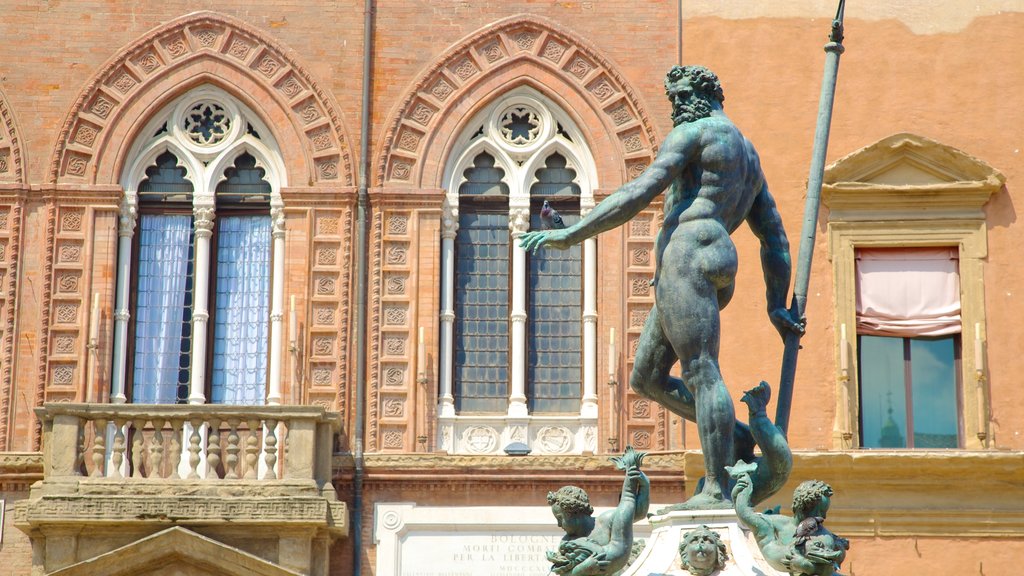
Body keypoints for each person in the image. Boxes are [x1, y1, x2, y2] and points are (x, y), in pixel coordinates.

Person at [521, 65, 802, 509]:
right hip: (716, 255)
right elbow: (774, 236)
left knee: (701, 371)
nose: (676, 106)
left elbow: (641, 190)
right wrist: (775, 304)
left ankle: (714, 487)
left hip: (686, 254)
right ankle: (738, 437)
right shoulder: (747, 154)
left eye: (682, 95)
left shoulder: (695, 133)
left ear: (706, 93)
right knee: (647, 378)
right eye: (672, 98)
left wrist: (571, 234)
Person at [546, 448, 649, 575]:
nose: (559, 525)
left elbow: (638, 513)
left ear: (574, 513)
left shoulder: (607, 520)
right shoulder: (568, 542)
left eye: (560, 518)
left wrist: (644, 487)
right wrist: (581, 569)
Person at [730, 475, 849, 576]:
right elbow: (745, 514)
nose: (823, 517)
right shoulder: (773, 524)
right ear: (803, 508)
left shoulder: (825, 536)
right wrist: (740, 491)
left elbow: (827, 568)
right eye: (820, 511)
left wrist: (806, 566)